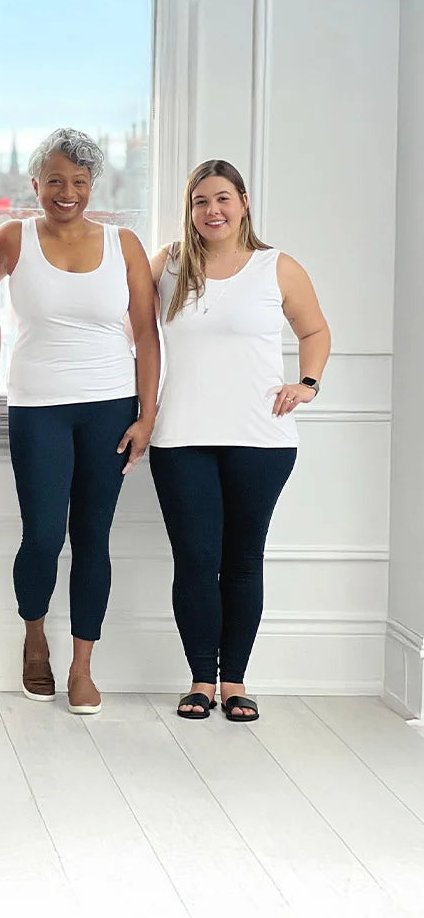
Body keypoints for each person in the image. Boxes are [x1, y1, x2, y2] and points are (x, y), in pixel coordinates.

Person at [149, 159, 330, 722]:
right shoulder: (169, 265)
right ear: (190, 209)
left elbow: (315, 330)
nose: (213, 210)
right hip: (180, 436)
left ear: (244, 202)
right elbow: (128, 323)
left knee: (242, 560)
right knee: (196, 560)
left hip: (261, 439)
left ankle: (236, 683)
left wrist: (307, 383)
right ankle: (201, 679)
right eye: (201, 201)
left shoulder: (278, 267)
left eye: (223, 198)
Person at [0, 128, 159, 715]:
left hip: (110, 407)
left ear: (94, 186)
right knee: (42, 534)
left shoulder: (125, 244)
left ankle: (82, 664)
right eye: (57, 181)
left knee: (93, 537)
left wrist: (147, 413)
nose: (68, 192)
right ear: (35, 183)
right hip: (38, 405)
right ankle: (34, 634)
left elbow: (146, 333)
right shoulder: (12, 238)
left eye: (80, 182)